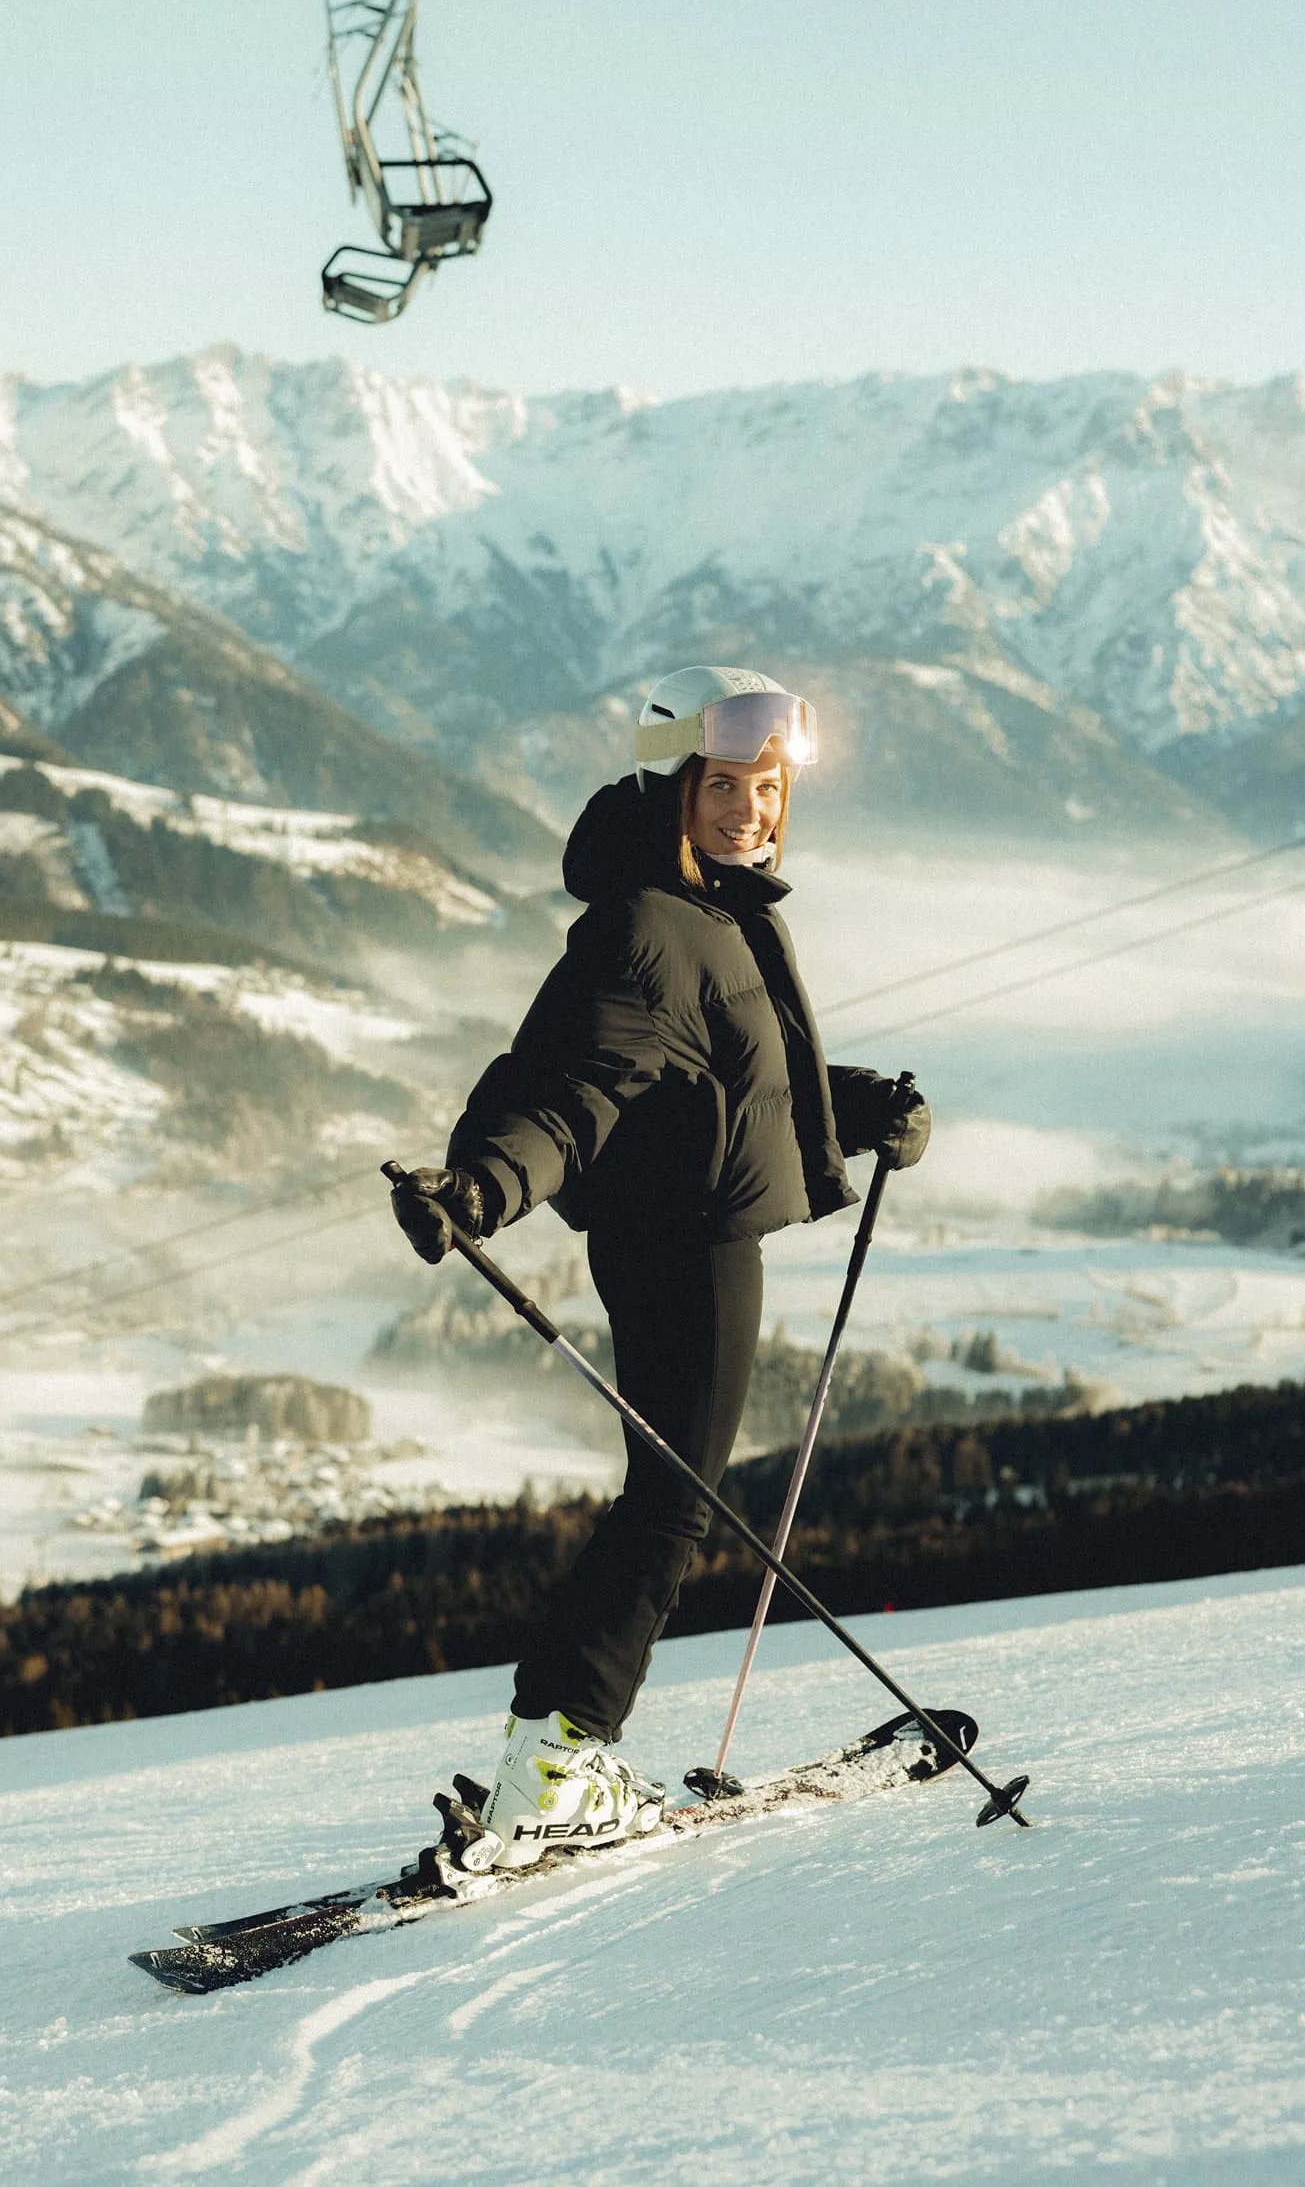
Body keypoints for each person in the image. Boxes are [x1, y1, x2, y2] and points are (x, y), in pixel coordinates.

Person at [389, 665, 929, 1869]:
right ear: (672, 786)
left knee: (666, 1495)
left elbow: (731, 1091)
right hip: (676, 1245)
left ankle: (550, 1738)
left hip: (698, 1229)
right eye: (724, 784)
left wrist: (863, 1108)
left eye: (767, 785)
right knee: (676, 1503)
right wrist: (481, 1186)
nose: (750, 808)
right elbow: (573, 1093)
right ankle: (565, 1755)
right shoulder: (645, 926)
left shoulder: (719, 908)